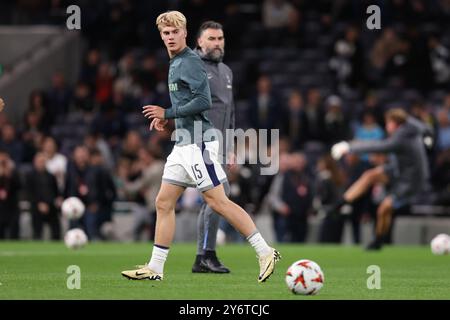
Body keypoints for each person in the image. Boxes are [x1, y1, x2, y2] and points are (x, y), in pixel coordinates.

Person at [121, 11, 280, 282]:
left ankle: (265, 251)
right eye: (165, 33)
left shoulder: (191, 61)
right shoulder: (176, 62)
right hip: (183, 142)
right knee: (163, 202)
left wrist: (168, 112)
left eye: (175, 32)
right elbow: (189, 105)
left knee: (217, 200)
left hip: (199, 142)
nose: (170, 37)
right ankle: (155, 268)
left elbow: (204, 101)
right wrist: (168, 120)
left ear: (185, 34)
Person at [331, 108, 431, 250]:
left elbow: (378, 146)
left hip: (411, 180)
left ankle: (378, 241)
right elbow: (425, 127)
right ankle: (341, 203)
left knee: (384, 208)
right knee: (369, 175)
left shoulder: (401, 138)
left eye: (388, 123)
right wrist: (429, 137)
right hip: (399, 170)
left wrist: (349, 147)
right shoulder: (411, 126)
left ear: (395, 123)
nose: (386, 127)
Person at [190, 20, 235, 274]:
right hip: (199, 143)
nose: (217, 44)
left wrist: (230, 147)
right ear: (200, 41)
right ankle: (207, 255)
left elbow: (230, 112)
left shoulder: (227, 71)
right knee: (220, 196)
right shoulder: (192, 67)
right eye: (212, 39)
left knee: (212, 201)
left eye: (220, 39)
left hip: (219, 147)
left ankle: (202, 258)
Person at [26, 152, 61, 240]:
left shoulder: (51, 176)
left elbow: (56, 191)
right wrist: (39, 204)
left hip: (51, 206)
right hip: (36, 207)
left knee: (56, 231)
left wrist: (58, 199)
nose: (41, 163)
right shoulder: (30, 176)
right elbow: (29, 193)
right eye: (39, 161)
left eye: (43, 161)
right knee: (37, 232)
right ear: (35, 162)